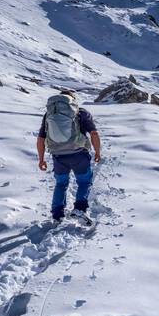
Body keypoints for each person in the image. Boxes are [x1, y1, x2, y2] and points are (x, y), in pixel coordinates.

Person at [35, 91, 102, 221]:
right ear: (72, 101)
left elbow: (40, 139)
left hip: (58, 156)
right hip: (79, 154)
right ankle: (79, 209)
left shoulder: (49, 115)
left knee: (61, 184)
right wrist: (97, 152)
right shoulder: (81, 113)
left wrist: (41, 159)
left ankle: (57, 214)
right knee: (84, 182)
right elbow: (94, 133)